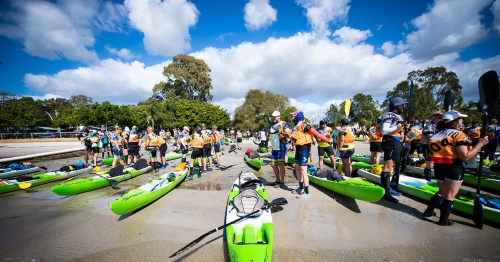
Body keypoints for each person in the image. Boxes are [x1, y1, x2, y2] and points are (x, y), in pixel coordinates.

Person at [422, 110, 488, 226]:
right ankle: (443, 221)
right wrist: (480, 144)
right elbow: (465, 157)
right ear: (456, 121)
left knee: (441, 191)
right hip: (453, 167)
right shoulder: (459, 135)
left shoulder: (436, 134)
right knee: (449, 195)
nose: (462, 121)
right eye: (461, 119)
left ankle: (428, 212)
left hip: (439, 167)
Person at [290, 110, 329, 199]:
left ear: (298, 116)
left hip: (304, 149)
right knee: (297, 168)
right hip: (298, 149)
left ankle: (307, 192)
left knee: (303, 170)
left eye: (293, 116)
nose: (292, 118)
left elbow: (315, 132)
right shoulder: (296, 126)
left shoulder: (304, 125)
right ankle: (300, 188)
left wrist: (325, 139)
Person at [378, 97, 408, 203]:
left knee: (391, 166)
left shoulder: (396, 116)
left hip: (395, 142)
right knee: (387, 167)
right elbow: (385, 130)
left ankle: (388, 188)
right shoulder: (390, 116)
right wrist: (399, 126)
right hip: (390, 142)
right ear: (396, 106)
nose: (403, 107)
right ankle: (385, 192)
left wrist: (403, 127)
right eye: (401, 105)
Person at [269, 111, 291, 188]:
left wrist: (280, 132)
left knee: (281, 164)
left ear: (279, 116)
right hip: (274, 147)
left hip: (281, 146)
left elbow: (288, 135)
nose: (274, 118)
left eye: (275, 116)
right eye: (273, 116)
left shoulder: (284, 124)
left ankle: (281, 181)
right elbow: (269, 135)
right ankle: (277, 180)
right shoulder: (271, 124)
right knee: (273, 164)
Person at [421, 112, 443, 181]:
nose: (441, 118)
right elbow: (431, 137)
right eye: (439, 117)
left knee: (433, 164)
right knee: (429, 164)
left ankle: (427, 177)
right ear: (433, 118)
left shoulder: (440, 126)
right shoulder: (429, 126)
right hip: (428, 146)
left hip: (436, 147)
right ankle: (428, 180)